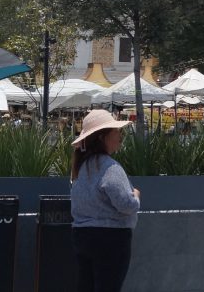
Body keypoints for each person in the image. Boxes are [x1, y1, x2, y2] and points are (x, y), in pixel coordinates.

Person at [70, 109, 141, 292]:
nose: (120, 135)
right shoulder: (110, 168)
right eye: (116, 131)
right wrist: (135, 196)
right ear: (103, 137)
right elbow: (126, 205)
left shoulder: (82, 168)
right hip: (111, 238)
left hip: (82, 236)